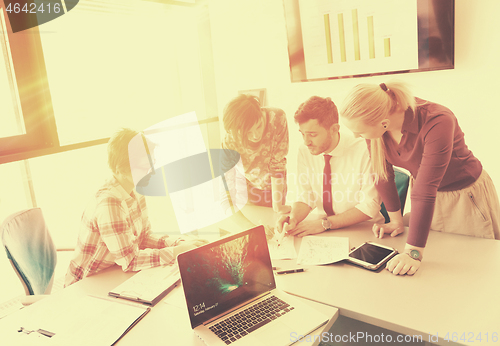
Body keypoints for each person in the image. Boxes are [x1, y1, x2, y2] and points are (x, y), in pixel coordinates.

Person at [340, 81, 500, 276]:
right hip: (429, 198)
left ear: (384, 122)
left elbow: (425, 189)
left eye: (359, 131)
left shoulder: (438, 120)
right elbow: (382, 174)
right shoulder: (377, 125)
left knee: (469, 269)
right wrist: (395, 220)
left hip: (464, 198)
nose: (356, 136)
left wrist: (413, 253)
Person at [65, 128, 207, 286]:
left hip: (113, 275)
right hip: (86, 284)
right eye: (145, 167)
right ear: (121, 168)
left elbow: (143, 238)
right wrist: (176, 253)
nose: (152, 172)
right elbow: (130, 260)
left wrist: (179, 243)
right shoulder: (110, 204)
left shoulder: (136, 190)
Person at [275, 96, 383, 240]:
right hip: (324, 231)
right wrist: (293, 218)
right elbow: (306, 195)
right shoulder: (305, 150)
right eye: (303, 134)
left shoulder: (365, 150)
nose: (306, 142)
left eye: (312, 135)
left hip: (365, 231)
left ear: (334, 129)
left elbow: (370, 205)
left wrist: (325, 223)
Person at [222, 94, 291, 213]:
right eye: (248, 133)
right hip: (246, 187)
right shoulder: (231, 138)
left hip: (274, 186)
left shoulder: (277, 118)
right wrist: (231, 208)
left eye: (258, 126)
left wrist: (277, 206)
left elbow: (278, 163)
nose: (255, 135)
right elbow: (229, 175)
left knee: (274, 221)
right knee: (253, 224)